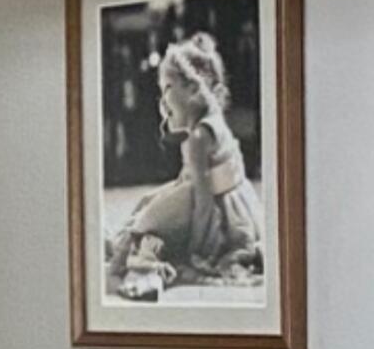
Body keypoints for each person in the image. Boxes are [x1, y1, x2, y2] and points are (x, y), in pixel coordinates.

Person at [105, 33, 264, 294]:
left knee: (148, 220)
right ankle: (122, 241)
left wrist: (200, 246)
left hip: (210, 207)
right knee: (147, 199)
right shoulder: (210, 123)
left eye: (167, 88)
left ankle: (128, 260)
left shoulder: (199, 137)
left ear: (192, 89)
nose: (163, 99)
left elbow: (202, 198)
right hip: (231, 201)